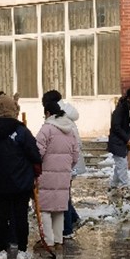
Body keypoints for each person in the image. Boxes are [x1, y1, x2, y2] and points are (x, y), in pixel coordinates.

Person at [0, 94, 42, 259]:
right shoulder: (21, 131)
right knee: (20, 216)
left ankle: (2, 250)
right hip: (21, 181)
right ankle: (21, 250)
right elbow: (34, 153)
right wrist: (35, 170)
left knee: (1, 217)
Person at [41, 90, 85, 240]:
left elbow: (39, 149)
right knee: (64, 195)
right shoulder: (67, 120)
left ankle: (65, 230)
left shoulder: (51, 125)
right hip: (67, 166)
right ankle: (72, 220)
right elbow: (76, 147)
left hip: (57, 168)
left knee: (59, 199)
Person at [35, 101, 79, 249]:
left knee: (45, 209)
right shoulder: (70, 130)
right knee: (59, 209)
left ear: (47, 113)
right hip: (64, 174)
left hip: (46, 174)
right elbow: (75, 155)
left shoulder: (46, 129)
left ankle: (48, 241)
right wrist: (66, 167)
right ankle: (58, 241)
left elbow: (38, 152)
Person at [107, 87, 130, 194]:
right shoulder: (119, 111)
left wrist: (129, 137)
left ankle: (113, 185)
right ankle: (124, 186)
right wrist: (126, 137)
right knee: (122, 163)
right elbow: (116, 127)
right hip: (116, 140)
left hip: (125, 140)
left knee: (120, 164)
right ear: (128, 98)